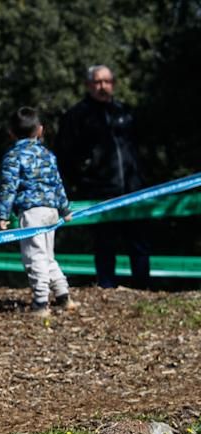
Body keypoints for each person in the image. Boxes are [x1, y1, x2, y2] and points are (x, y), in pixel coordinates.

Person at [56, 65, 148, 289]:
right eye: (97, 82)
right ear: (88, 85)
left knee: (139, 243)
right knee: (105, 243)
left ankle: (143, 287)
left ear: (113, 84)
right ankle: (107, 287)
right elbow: (65, 155)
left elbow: (140, 147)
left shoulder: (125, 112)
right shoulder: (77, 116)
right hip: (100, 191)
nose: (102, 86)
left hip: (133, 189)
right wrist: (81, 182)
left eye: (107, 81)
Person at [0, 107, 79, 318]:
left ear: (11, 133)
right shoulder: (47, 154)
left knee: (34, 257)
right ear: (40, 130)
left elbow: (8, 187)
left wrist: (3, 214)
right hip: (51, 210)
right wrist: (64, 208)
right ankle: (63, 296)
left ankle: (41, 303)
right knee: (47, 255)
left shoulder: (13, 156)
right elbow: (57, 182)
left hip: (32, 212)